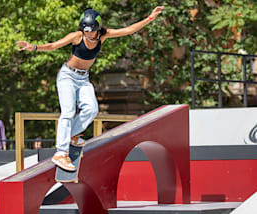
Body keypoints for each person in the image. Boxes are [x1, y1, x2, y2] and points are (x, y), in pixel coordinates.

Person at [17, 6, 164, 171]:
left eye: (91, 31)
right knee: (68, 111)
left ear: (97, 28)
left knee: (92, 109)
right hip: (67, 77)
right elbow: (53, 45)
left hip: (83, 78)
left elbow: (129, 30)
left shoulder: (104, 35)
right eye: (85, 31)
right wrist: (34, 47)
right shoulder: (77, 36)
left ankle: (72, 134)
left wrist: (150, 17)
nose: (88, 34)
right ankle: (61, 152)